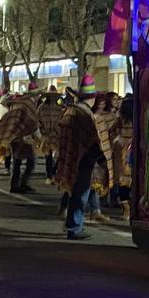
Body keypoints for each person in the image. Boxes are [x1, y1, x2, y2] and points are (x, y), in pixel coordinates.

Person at [56, 90, 107, 238]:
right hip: (82, 158)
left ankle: (71, 224)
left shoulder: (69, 111)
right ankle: (74, 228)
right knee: (80, 195)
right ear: (91, 99)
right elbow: (91, 140)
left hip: (70, 157)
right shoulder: (83, 115)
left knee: (75, 193)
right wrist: (102, 159)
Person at [0, 93, 39, 193]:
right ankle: (19, 184)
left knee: (19, 163)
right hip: (20, 140)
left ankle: (18, 184)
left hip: (18, 140)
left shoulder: (15, 111)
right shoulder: (18, 112)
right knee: (26, 163)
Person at [111, 96, 134, 221]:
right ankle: (131, 207)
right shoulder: (138, 118)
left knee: (122, 182)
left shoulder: (120, 119)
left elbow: (112, 131)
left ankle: (126, 210)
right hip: (134, 152)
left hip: (121, 151)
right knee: (133, 182)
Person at [36, 92, 63, 184]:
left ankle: (53, 172)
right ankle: (49, 175)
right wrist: (43, 131)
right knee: (48, 156)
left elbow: (62, 120)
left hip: (56, 134)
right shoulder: (42, 108)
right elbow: (38, 120)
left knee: (59, 155)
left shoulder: (60, 108)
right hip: (47, 135)